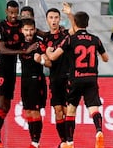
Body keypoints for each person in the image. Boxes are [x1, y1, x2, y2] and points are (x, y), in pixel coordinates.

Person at [46, 11, 109, 148]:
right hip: (91, 79)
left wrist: (48, 51)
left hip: (75, 79)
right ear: (87, 23)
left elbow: (53, 57)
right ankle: (98, 131)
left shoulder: (70, 39)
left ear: (74, 23)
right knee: (94, 108)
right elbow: (106, 58)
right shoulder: (95, 39)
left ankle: (69, 142)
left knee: (71, 111)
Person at [0, 0, 38, 148]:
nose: (14, 16)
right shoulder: (0, 26)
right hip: (0, 65)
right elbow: (1, 49)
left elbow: (37, 31)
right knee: (0, 102)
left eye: (16, 13)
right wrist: (23, 51)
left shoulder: (21, 25)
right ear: (6, 12)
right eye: (11, 13)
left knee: (6, 106)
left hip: (12, 67)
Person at [42, 4, 74, 148]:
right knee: (57, 110)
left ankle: (69, 140)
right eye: (51, 18)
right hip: (54, 78)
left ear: (60, 19)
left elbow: (76, 30)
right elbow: (47, 62)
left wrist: (70, 14)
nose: (54, 20)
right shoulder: (45, 39)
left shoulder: (66, 34)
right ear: (47, 20)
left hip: (68, 76)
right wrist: (44, 60)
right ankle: (63, 141)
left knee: (68, 110)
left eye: (56, 17)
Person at [20, 18, 51, 148]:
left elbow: (50, 63)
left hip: (37, 80)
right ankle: (33, 141)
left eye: (31, 29)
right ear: (21, 30)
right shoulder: (19, 43)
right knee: (27, 112)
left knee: (35, 112)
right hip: (25, 80)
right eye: (26, 30)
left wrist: (42, 61)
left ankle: (35, 142)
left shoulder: (39, 44)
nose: (29, 32)